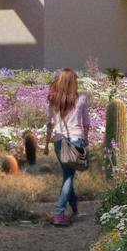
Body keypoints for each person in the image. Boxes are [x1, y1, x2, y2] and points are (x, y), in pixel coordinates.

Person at [42, 68, 90, 227]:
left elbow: (50, 123)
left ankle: (74, 207)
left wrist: (46, 144)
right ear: (72, 82)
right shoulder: (81, 99)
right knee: (68, 176)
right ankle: (59, 213)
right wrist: (87, 139)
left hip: (58, 140)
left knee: (67, 174)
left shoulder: (53, 99)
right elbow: (86, 123)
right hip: (75, 140)